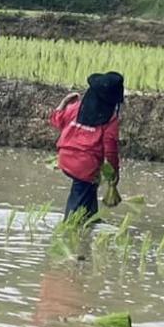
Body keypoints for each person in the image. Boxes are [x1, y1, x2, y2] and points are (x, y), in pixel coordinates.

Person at [50, 71, 124, 222]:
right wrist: (114, 175)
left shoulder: (76, 108)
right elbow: (111, 151)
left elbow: (57, 121)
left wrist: (63, 103)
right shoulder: (110, 120)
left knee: (89, 190)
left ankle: (91, 219)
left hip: (65, 159)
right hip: (86, 167)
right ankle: (71, 227)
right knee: (77, 204)